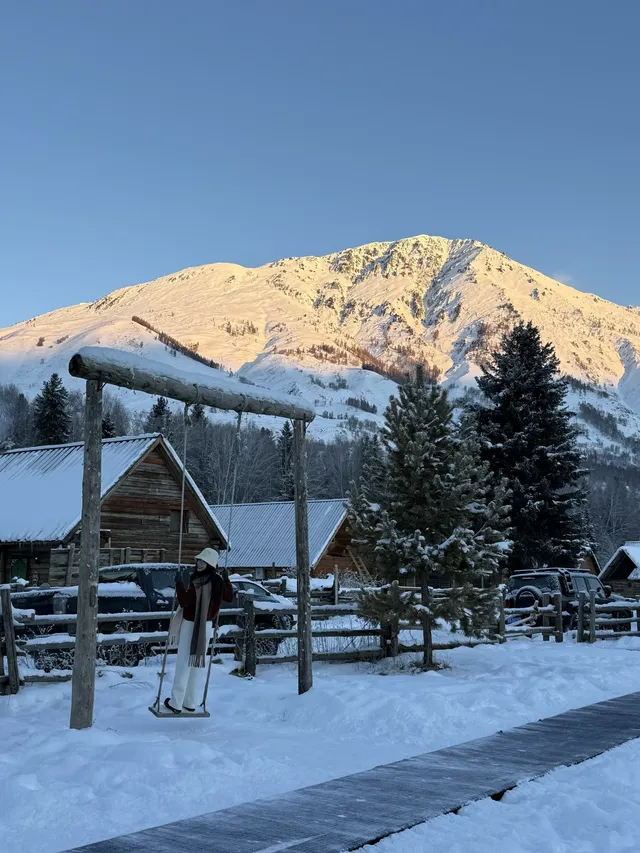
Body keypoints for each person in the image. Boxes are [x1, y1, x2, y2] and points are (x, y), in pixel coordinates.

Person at [164, 548, 233, 714]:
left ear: (210, 564)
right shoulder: (217, 581)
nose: (200, 564)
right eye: (199, 561)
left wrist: (179, 583)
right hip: (206, 626)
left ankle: (176, 702)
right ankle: (190, 701)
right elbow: (229, 597)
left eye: (204, 562)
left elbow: (185, 600)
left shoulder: (199, 582)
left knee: (184, 662)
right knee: (196, 662)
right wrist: (226, 580)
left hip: (191, 625)